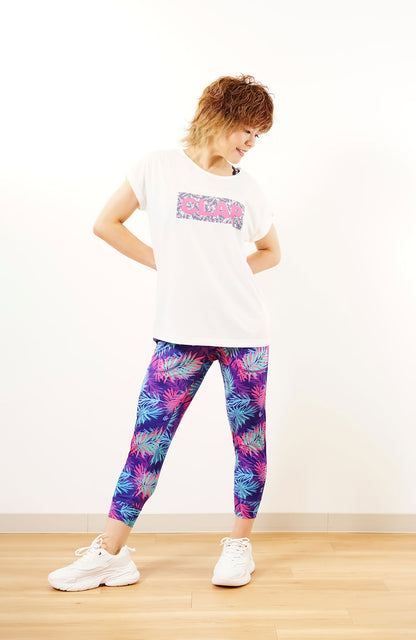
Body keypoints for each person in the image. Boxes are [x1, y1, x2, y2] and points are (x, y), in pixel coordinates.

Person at [47, 73, 281, 591]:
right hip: (180, 331)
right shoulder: (158, 167)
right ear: (217, 115)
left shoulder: (247, 188)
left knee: (249, 442)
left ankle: (239, 546)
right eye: (246, 129)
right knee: (147, 441)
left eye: (258, 134)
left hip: (245, 332)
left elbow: (271, 252)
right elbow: (106, 223)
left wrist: (227, 274)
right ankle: (111, 554)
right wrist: (168, 265)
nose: (250, 142)